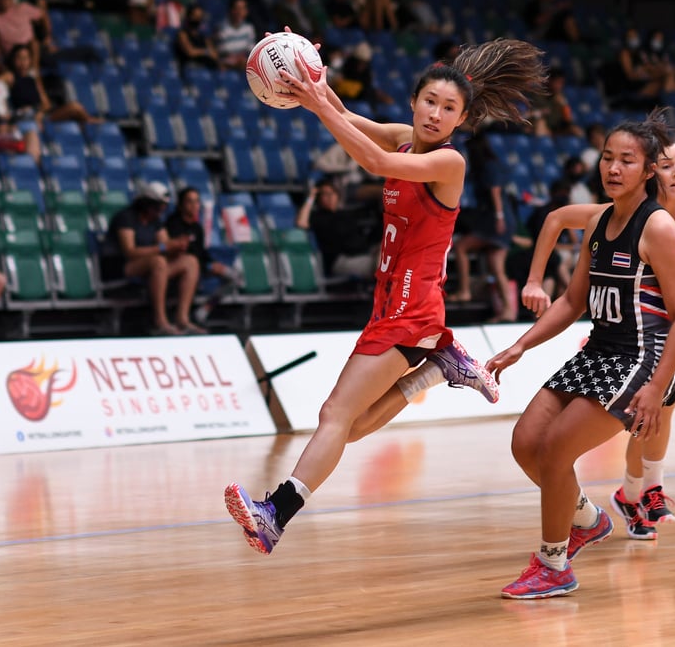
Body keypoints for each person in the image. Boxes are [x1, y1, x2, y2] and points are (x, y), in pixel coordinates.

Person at [224, 35, 545, 555]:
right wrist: (317, 90)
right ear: (414, 101)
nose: (437, 114)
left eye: (449, 109)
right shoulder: (401, 136)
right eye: (430, 101)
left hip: (412, 308)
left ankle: (274, 515)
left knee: (334, 416)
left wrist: (313, 104)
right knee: (344, 428)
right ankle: (440, 368)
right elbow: (354, 123)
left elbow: (374, 163)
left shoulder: (449, 164)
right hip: (393, 300)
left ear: (461, 120)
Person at [488, 112, 675, 599]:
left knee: (557, 448)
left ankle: (553, 564)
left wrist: (656, 387)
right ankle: (585, 518)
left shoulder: (659, 227)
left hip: (639, 362)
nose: (613, 168)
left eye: (627, 160)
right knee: (526, 442)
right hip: (598, 352)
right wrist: (521, 345)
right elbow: (572, 301)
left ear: (647, 171)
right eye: (607, 157)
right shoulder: (599, 222)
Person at [520, 136, 675, 541]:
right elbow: (555, 219)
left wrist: (671, 251)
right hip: (614, 336)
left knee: (655, 416)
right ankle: (622, 499)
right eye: (668, 165)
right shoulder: (610, 213)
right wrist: (533, 280)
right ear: (653, 171)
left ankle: (641, 490)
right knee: (618, 423)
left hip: (663, 332)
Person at [100, 181, 204, 335]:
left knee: (190, 261)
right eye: (157, 206)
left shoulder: (156, 220)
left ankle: (183, 319)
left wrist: (176, 246)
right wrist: (163, 248)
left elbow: (165, 243)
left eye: (162, 207)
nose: (160, 211)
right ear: (146, 204)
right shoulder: (126, 217)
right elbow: (130, 252)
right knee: (158, 261)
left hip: (151, 268)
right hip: (122, 267)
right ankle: (160, 321)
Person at [447, 127, 517, 322]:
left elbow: (495, 192)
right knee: (497, 266)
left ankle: (464, 291)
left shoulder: (488, 165)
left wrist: (499, 216)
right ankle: (508, 311)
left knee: (461, 247)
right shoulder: (490, 164)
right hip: (501, 218)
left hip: (495, 219)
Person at [164, 186, 237, 325]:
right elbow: (177, 252)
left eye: (197, 201)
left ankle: (203, 311)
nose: (194, 206)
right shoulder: (173, 224)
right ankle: (181, 317)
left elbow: (201, 252)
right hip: (178, 267)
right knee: (191, 264)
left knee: (235, 276)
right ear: (181, 204)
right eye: (189, 202)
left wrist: (213, 264)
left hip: (201, 266)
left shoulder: (197, 228)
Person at [296, 178, 381, 279]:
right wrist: (311, 197)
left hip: (365, 252)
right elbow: (301, 223)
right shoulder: (317, 217)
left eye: (332, 193)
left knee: (391, 249)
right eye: (325, 194)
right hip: (341, 260)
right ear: (319, 198)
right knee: (382, 265)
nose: (330, 197)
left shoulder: (346, 214)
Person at [174, 4, 219, 74]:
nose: (197, 19)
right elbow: (190, 52)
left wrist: (208, 52)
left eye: (200, 16)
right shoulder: (183, 34)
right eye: (195, 16)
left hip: (205, 68)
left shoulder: (203, 36)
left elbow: (214, 54)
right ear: (189, 16)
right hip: (190, 67)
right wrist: (206, 52)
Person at [216, 0, 256, 71]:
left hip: (244, 62)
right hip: (226, 64)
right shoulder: (222, 28)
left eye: (243, 8)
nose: (240, 11)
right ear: (232, 10)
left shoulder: (249, 28)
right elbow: (222, 51)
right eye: (238, 8)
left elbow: (251, 49)